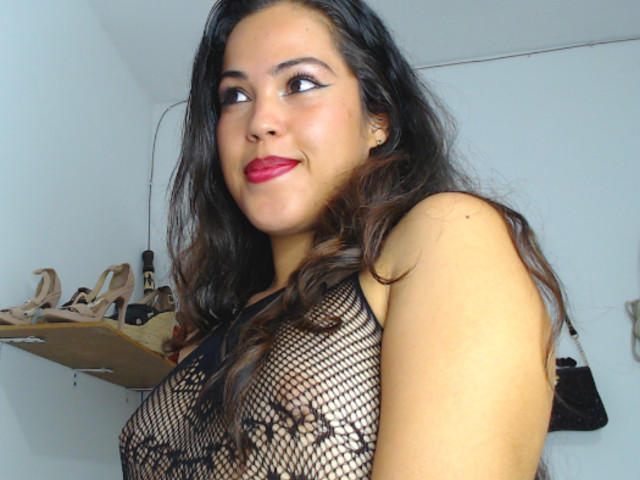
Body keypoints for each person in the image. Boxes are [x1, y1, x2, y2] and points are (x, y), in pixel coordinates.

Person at [119, 0, 565, 478]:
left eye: (300, 83)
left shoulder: (447, 234)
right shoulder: (213, 327)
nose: (260, 121)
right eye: (236, 95)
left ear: (378, 119)